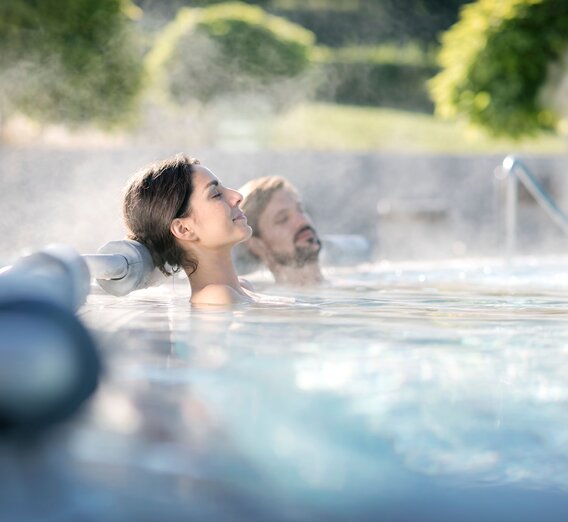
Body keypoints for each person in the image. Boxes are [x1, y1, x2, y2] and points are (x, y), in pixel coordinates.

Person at [122, 154, 256, 306]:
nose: (237, 196)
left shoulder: (242, 288)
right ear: (183, 229)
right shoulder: (216, 297)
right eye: (216, 194)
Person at [234, 176, 324, 286]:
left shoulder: (349, 286)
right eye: (283, 219)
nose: (302, 220)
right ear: (257, 245)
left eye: (300, 210)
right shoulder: (260, 299)